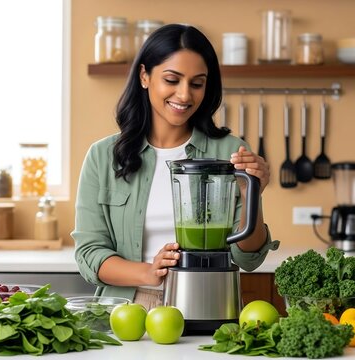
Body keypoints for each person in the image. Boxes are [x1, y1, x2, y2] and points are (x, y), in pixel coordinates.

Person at [72, 24, 279, 310]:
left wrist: (252, 193)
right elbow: (89, 253)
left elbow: (248, 258)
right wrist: (148, 271)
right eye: (172, 79)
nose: (184, 95)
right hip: (127, 308)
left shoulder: (230, 151)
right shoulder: (103, 156)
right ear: (145, 76)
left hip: (209, 302)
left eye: (197, 84)